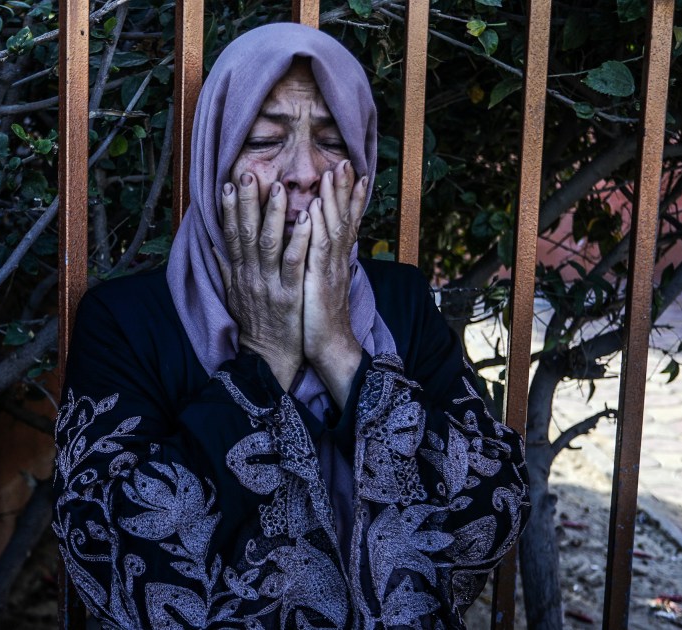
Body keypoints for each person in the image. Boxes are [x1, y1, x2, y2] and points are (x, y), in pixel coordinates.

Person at [49, 22, 528, 629]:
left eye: (332, 140)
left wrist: (339, 348)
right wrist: (267, 353)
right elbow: (109, 554)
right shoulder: (127, 320)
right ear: (216, 158)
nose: (303, 170)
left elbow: (489, 514)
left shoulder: (401, 302)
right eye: (264, 139)